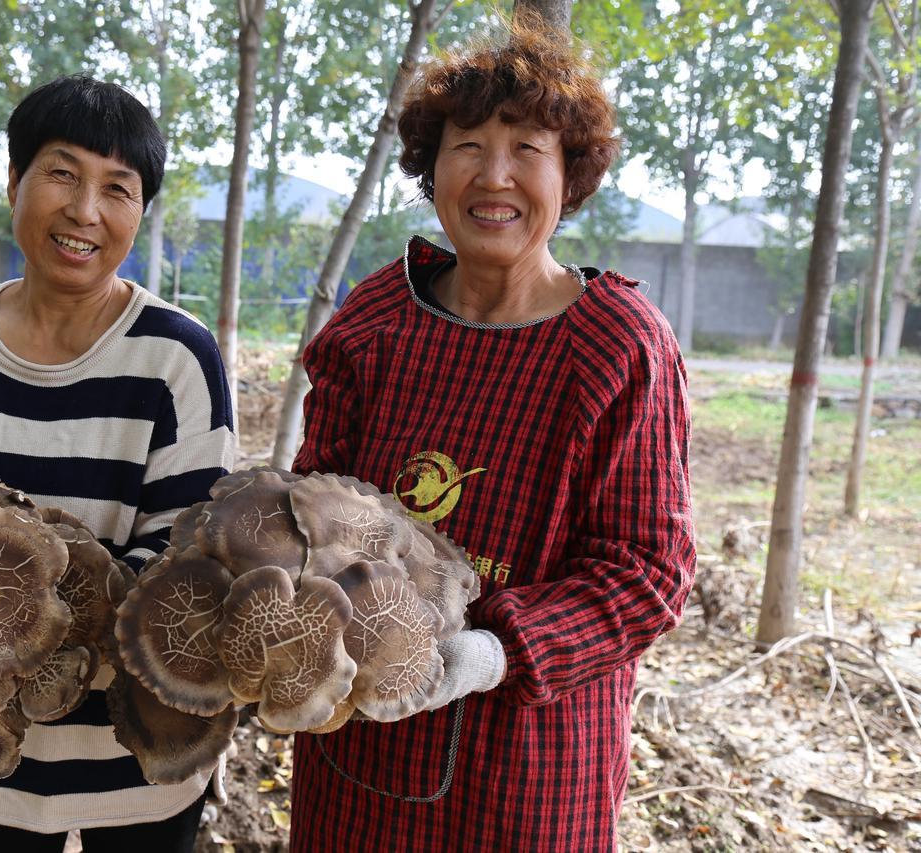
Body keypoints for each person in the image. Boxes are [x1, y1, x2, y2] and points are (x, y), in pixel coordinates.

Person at [288, 19, 695, 852]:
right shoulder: (375, 319)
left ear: (570, 175)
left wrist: (491, 649)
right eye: (467, 144)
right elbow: (310, 505)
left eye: (528, 148)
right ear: (433, 169)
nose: (494, 174)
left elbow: (647, 574)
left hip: (531, 764)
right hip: (357, 731)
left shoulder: (621, 344)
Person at [0, 75, 235, 852]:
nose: (86, 211)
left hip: (139, 751)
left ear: (140, 212)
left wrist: (17, 617)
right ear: (14, 181)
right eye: (62, 173)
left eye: (117, 189)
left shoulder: (176, 356)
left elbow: (187, 561)